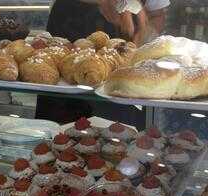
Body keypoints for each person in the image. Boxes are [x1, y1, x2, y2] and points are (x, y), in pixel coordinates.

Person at [36, 0, 170, 129]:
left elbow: (157, 14)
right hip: (67, 40)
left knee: (119, 136)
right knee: (58, 136)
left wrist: (143, 36)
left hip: (123, 64)